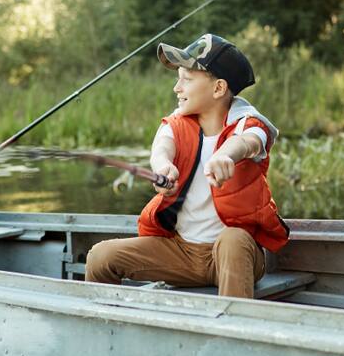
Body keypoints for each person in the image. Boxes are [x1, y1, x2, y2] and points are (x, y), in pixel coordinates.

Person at [85, 34, 289, 298]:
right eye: (177, 78)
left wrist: (226, 155)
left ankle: (232, 330)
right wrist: (163, 167)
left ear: (218, 89)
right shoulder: (175, 123)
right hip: (181, 253)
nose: (177, 88)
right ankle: (103, 327)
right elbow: (162, 149)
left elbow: (249, 142)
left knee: (233, 240)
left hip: (235, 256)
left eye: (187, 79)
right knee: (100, 257)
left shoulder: (249, 124)